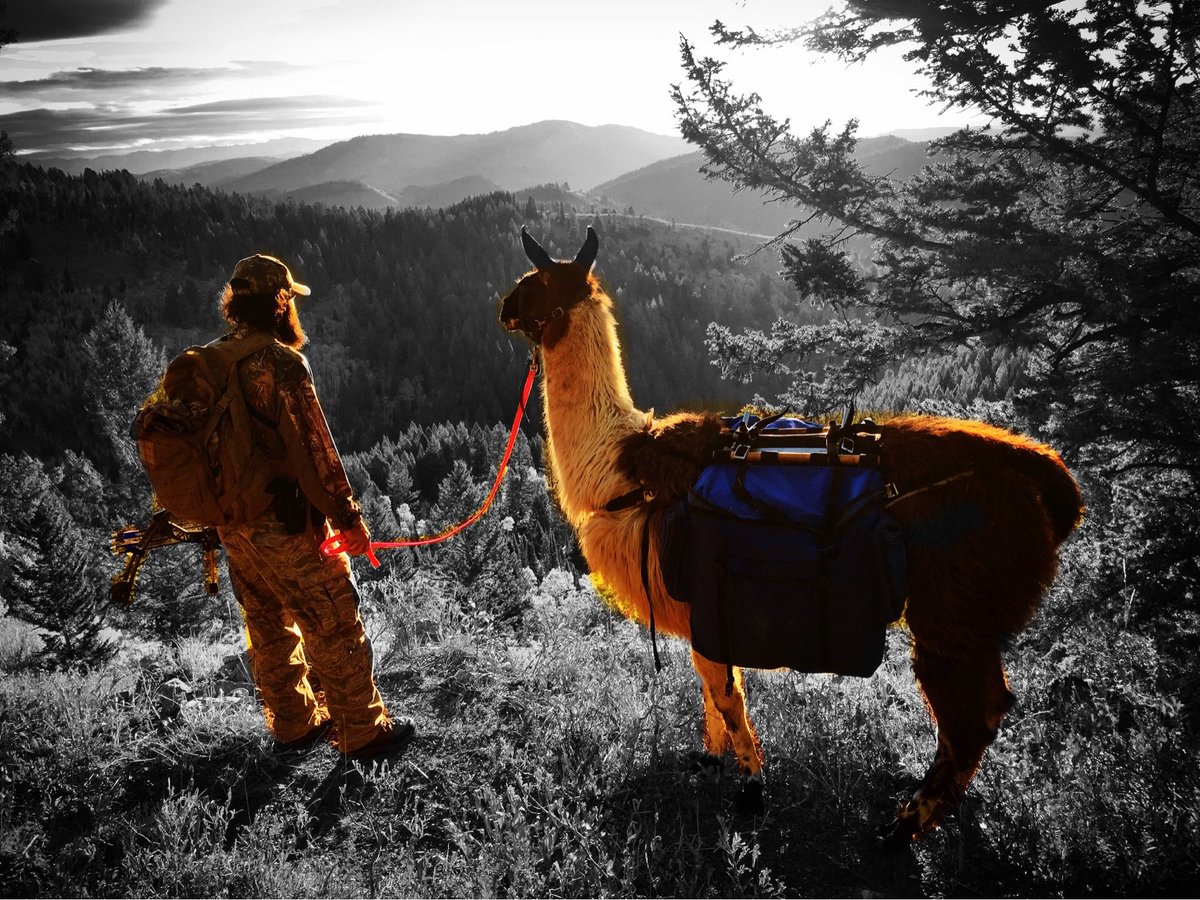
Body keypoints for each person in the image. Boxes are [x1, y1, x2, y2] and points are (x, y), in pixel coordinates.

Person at [213, 252, 413, 760]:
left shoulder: (214, 359)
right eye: (289, 299)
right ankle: (363, 731)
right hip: (286, 523)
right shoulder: (280, 364)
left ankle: (294, 724)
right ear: (280, 302)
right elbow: (318, 453)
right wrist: (350, 521)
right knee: (334, 617)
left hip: (234, 526)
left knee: (267, 624)